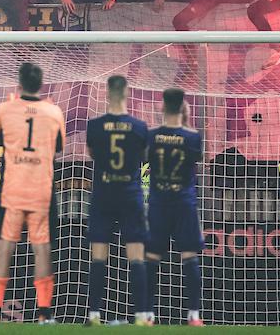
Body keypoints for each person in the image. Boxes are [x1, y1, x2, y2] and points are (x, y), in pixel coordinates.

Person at [0, 63, 66, 323]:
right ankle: (44, 315)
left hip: (13, 189)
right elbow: (58, 148)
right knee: (41, 249)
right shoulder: (53, 112)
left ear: (18, 83)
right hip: (41, 190)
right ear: (41, 84)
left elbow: (0, 141)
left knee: (4, 248)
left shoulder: (5, 109)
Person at [85, 75, 151, 326]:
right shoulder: (139, 126)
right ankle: (142, 316)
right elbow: (143, 157)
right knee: (136, 254)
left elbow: (92, 152)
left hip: (103, 195)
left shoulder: (94, 125)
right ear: (126, 95)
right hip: (130, 195)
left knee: (99, 255)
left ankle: (94, 315)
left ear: (106, 94)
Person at [146, 88, 204, 326]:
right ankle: (193, 316)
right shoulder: (192, 137)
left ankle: (147, 315)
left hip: (159, 203)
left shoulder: (150, 135)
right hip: (183, 203)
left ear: (162, 107)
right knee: (189, 256)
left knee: (151, 257)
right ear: (184, 108)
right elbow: (195, 161)